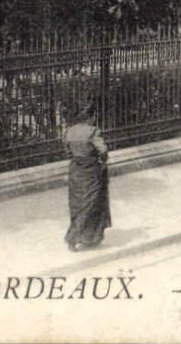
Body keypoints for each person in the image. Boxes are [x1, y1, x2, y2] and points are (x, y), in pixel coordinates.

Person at [63, 100, 111, 250]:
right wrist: (102, 160)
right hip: (91, 171)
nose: (95, 119)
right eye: (94, 116)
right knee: (92, 204)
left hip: (76, 170)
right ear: (91, 116)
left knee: (78, 204)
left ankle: (85, 237)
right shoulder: (93, 131)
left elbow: (68, 152)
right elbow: (103, 150)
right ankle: (76, 237)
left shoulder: (69, 131)